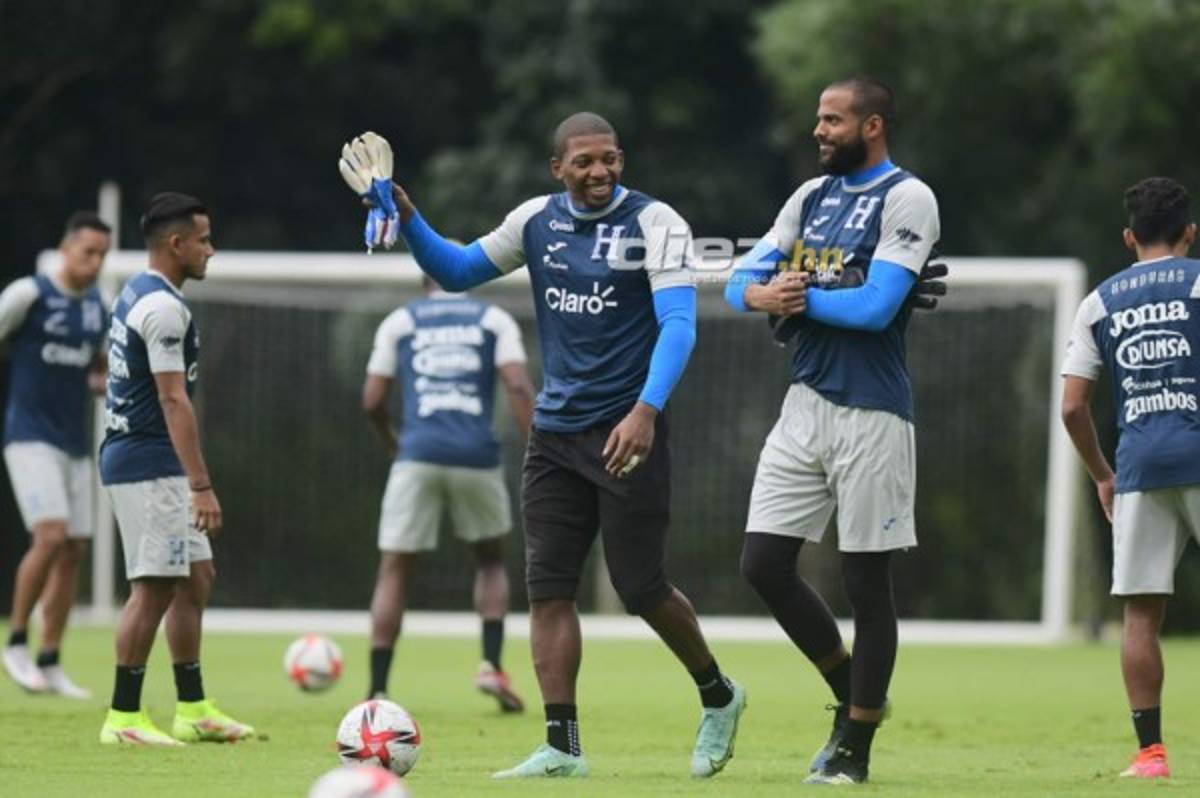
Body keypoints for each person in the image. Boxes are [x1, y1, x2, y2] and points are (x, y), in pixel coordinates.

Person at [344, 112, 746, 780]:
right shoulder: (535, 219)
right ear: (557, 168)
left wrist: (646, 411)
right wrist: (408, 212)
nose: (599, 172)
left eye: (609, 159)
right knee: (549, 589)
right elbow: (458, 268)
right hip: (555, 436)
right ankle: (563, 747)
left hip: (627, 432)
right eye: (583, 162)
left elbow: (679, 325)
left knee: (641, 587)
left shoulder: (657, 223)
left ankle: (719, 694)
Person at [725, 76, 940, 785]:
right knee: (763, 564)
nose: (818, 130)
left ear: (872, 126)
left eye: (832, 119)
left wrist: (800, 296)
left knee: (865, 584)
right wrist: (764, 292)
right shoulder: (810, 198)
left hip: (873, 413)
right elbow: (739, 283)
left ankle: (855, 750)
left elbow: (878, 308)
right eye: (818, 118)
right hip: (805, 405)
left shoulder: (907, 197)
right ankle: (854, 698)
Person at [97, 192, 254, 746]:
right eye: (204, 240)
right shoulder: (163, 307)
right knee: (155, 586)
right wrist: (201, 484)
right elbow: (172, 401)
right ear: (176, 243)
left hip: (150, 460)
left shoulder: (137, 292)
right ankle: (124, 718)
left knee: (195, 578)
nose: (211, 251)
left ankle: (192, 709)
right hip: (148, 462)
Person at [1061, 176, 1200, 781]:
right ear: (1189, 233)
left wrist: (1103, 476)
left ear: (1128, 237)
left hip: (1139, 468)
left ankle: (1150, 756)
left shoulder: (1100, 301)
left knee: (1141, 615)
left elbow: (1072, 407)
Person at [362, 274, 535, 712]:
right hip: (477, 454)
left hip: (416, 455)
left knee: (395, 569)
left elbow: (371, 399)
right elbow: (517, 385)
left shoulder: (400, 321)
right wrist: (539, 451)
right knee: (491, 559)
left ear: (422, 282)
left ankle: (378, 690)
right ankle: (490, 665)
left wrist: (391, 442)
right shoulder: (494, 320)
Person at [1, 212, 110, 697]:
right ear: (65, 249)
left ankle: (50, 660)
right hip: (28, 436)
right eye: (89, 252)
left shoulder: (96, 309)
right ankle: (16, 642)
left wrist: (103, 380)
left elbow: (98, 365)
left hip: (74, 443)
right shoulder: (29, 295)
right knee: (49, 535)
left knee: (73, 549)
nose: (95, 262)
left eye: (103, 255)